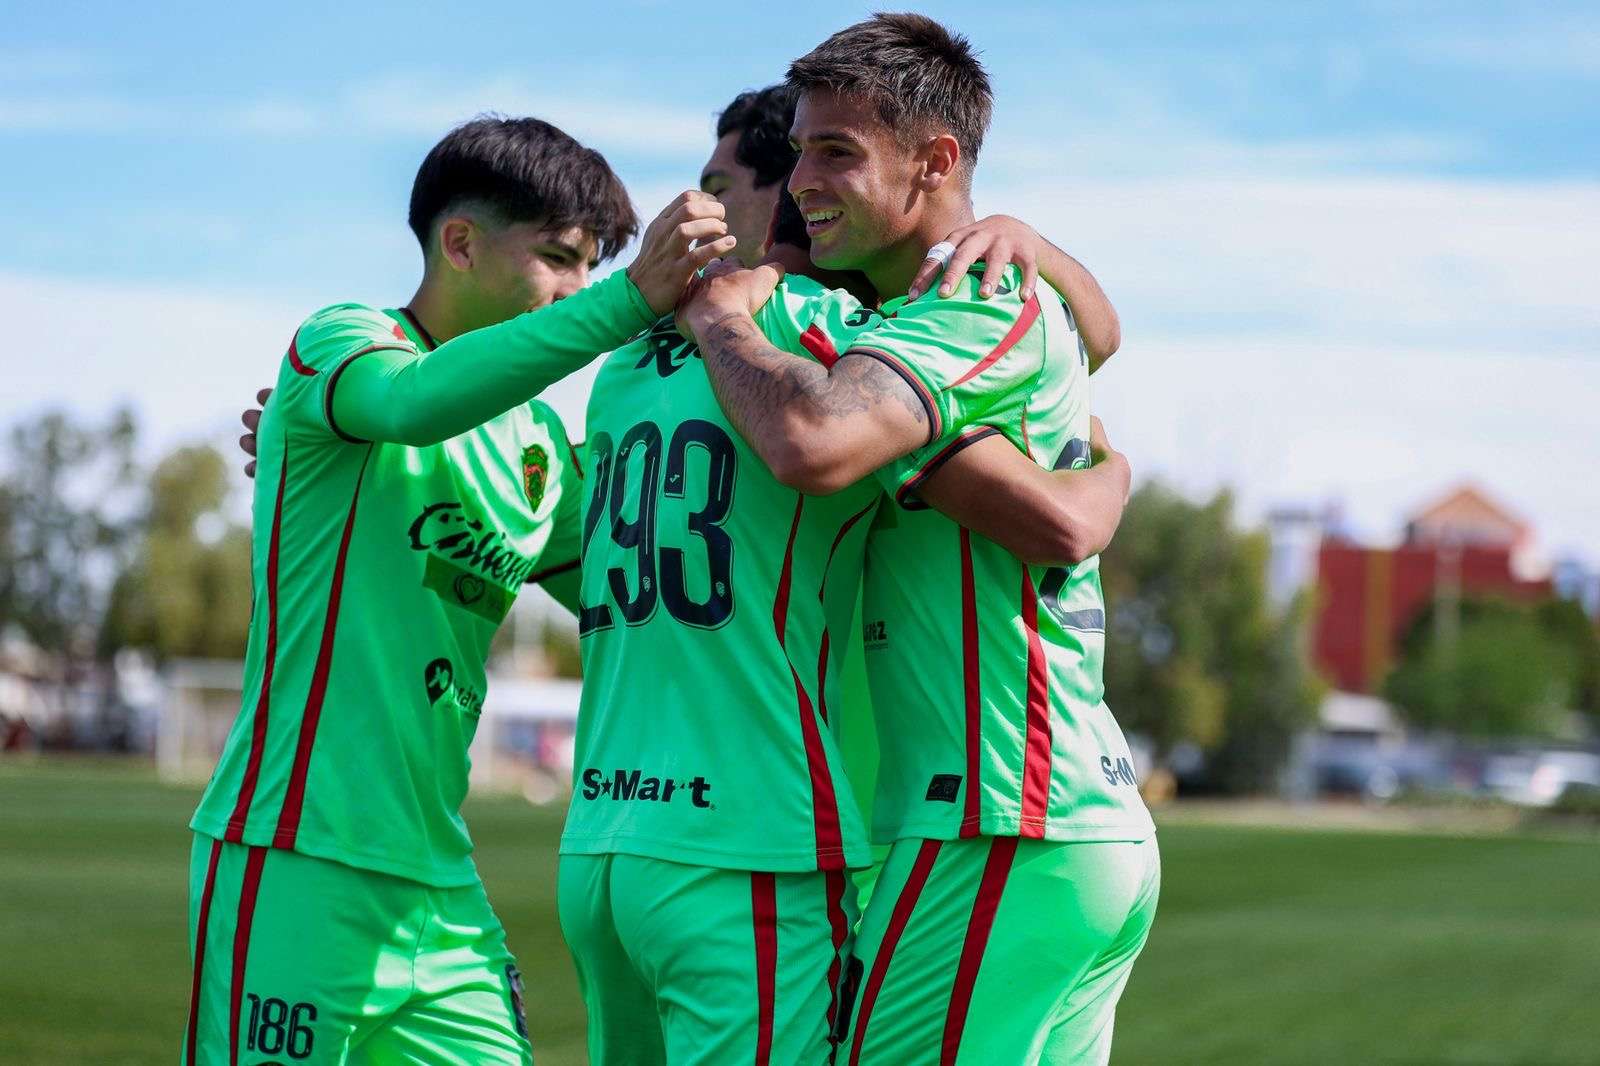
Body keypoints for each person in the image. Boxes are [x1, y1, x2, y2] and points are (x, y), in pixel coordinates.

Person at [560, 85, 1132, 1065]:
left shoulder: (625, 365)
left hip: (606, 838)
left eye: (719, 188)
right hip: (755, 835)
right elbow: (1060, 513)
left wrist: (1030, 241)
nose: (695, 210)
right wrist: (1113, 473)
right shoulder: (828, 338)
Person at [185, 115, 730, 1065]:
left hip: (439, 884)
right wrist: (630, 298)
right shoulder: (342, 341)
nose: (575, 287)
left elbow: (645, 590)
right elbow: (411, 402)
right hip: (295, 856)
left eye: (593, 266)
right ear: (461, 243)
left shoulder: (538, 448)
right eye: (558, 257)